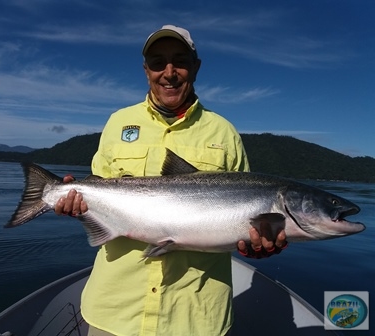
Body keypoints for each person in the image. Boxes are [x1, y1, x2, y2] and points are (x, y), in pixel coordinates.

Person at [55, 25, 287, 336]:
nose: (169, 72)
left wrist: (258, 246)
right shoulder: (118, 122)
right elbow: (98, 191)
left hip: (195, 316)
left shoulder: (224, 132)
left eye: (179, 60)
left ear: (196, 66)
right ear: (145, 70)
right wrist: (78, 205)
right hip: (115, 311)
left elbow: (245, 222)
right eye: (157, 62)